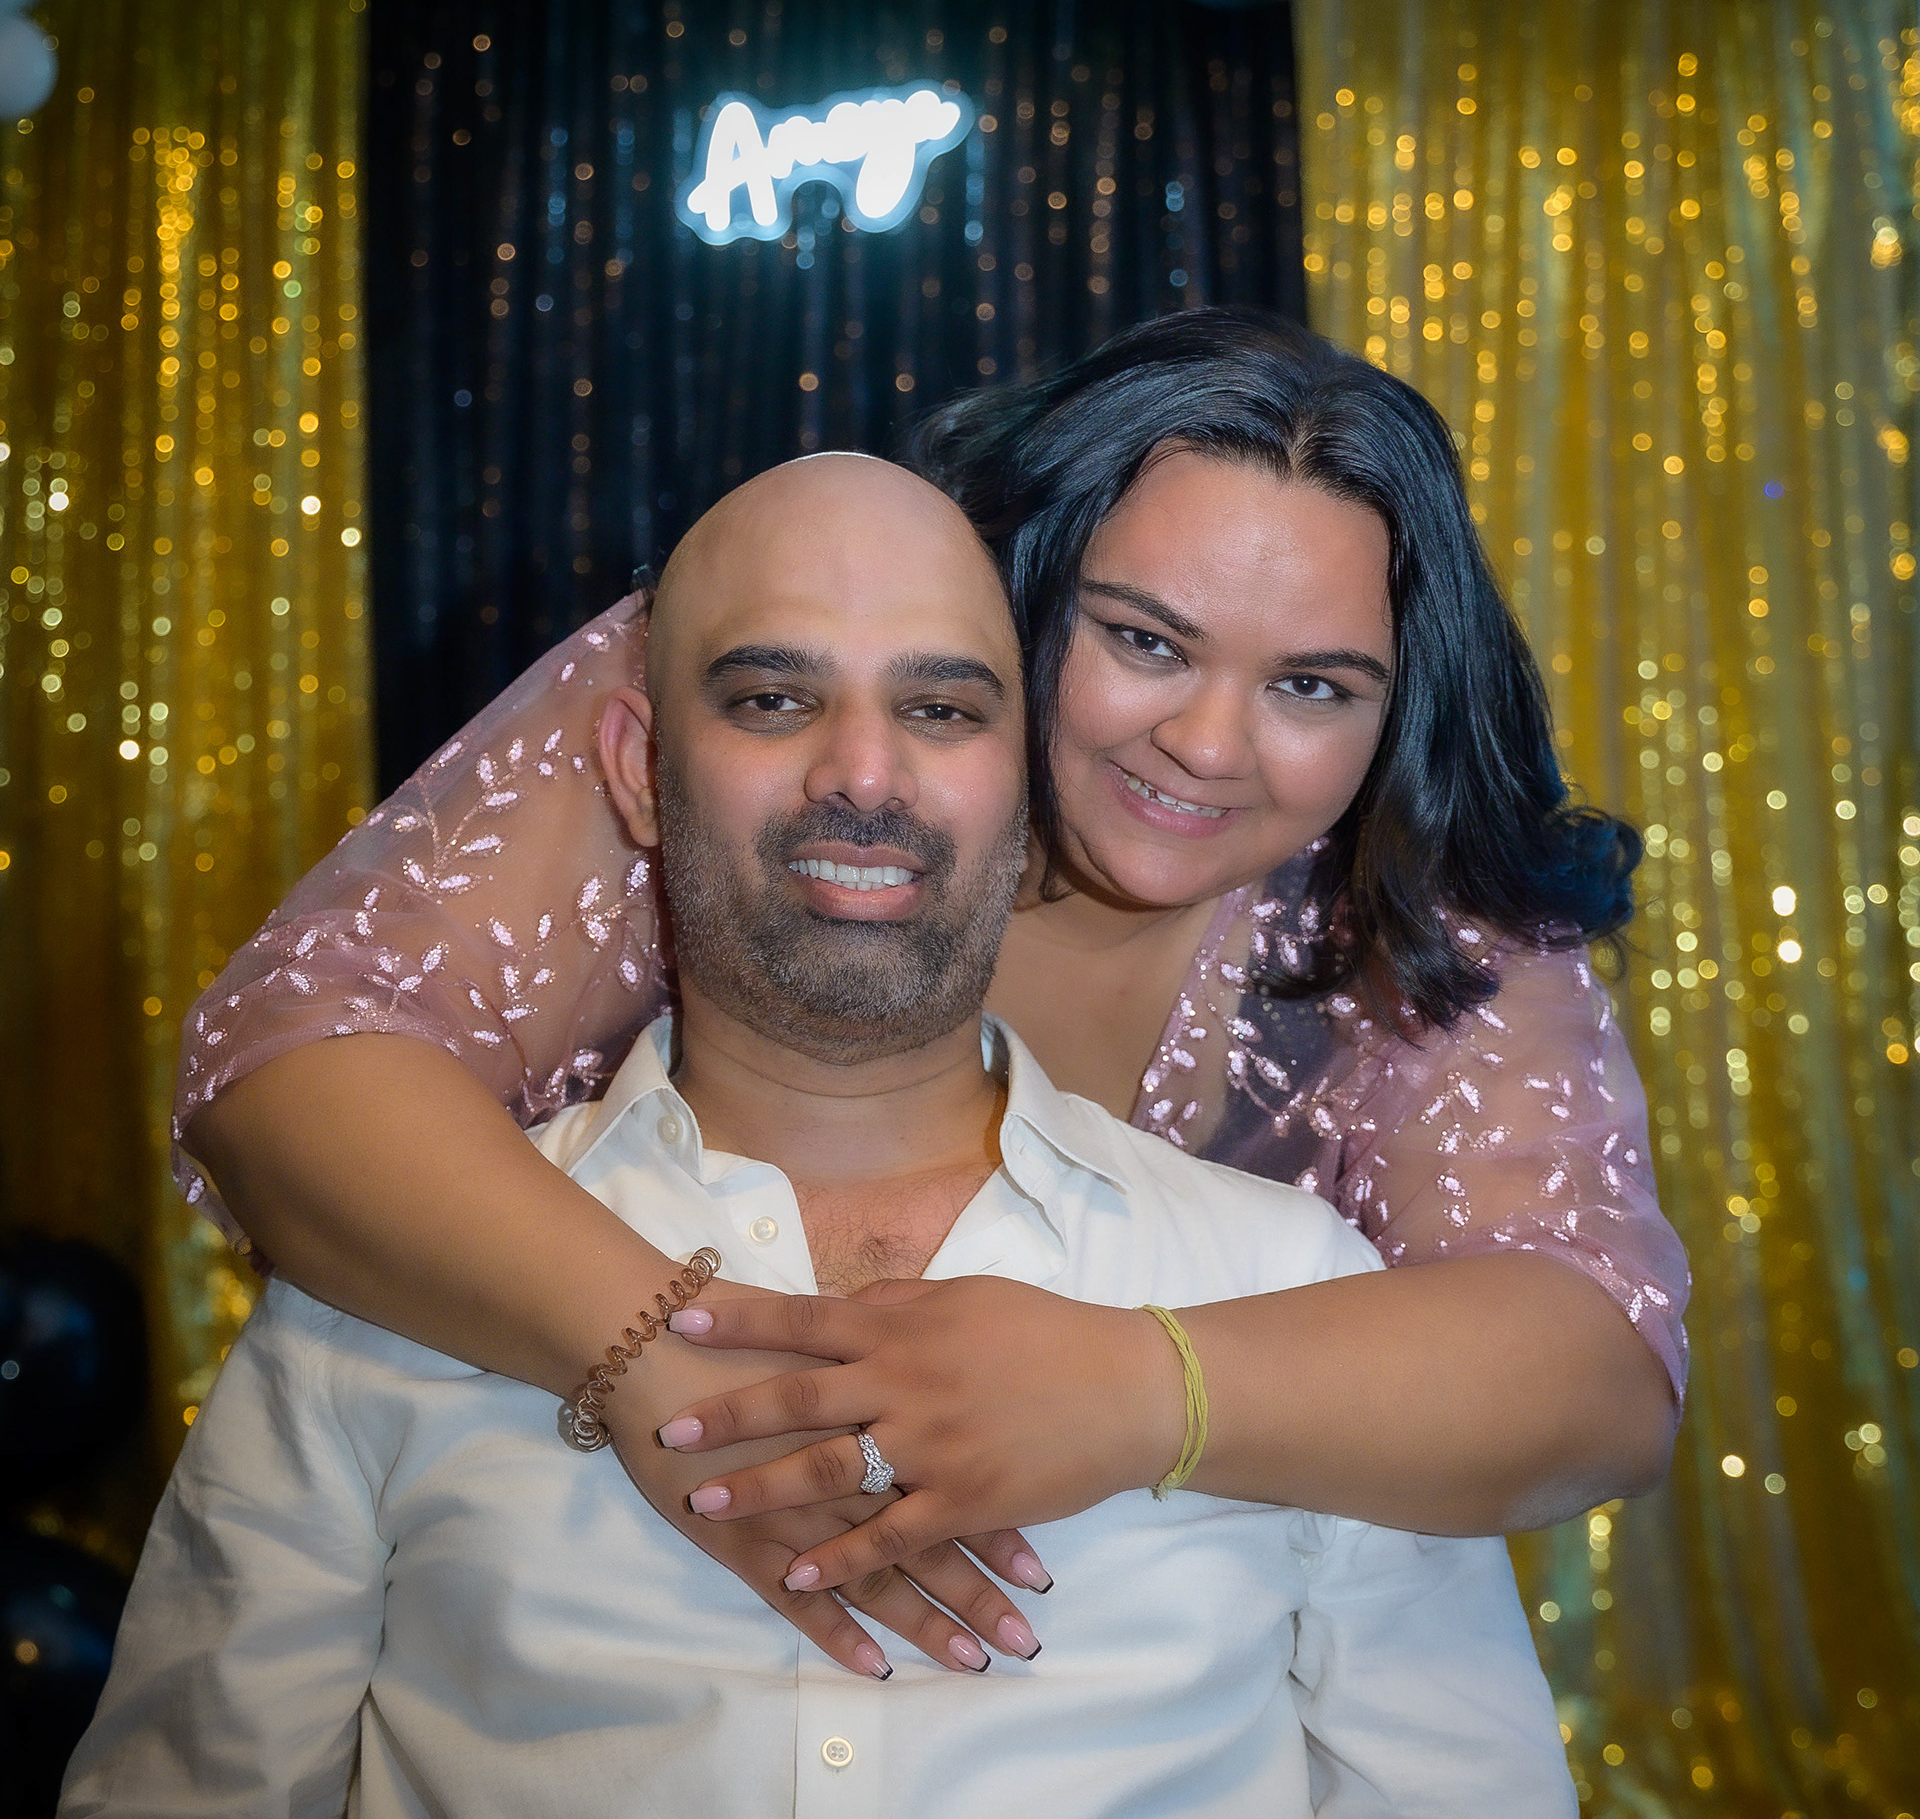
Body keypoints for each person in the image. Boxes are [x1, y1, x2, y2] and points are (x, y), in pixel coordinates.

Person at [7, 459, 1626, 1819]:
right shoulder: (399, 1282)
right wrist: (646, 1356)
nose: (863, 774)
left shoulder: (1289, 1291)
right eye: (772, 699)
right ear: (637, 768)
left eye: (942, 709)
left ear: (1022, 782)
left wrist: (1155, 1394)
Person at [176, 310, 1687, 1679]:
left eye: (1312, 686)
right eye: (1145, 641)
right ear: (1013, 592)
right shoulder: (773, 696)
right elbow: (289, 1054)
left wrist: (1141, 1391)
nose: (1212, 744)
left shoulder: (1419, 895)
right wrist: (656, 1369)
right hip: (586, 1569)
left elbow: (1600, 1362)